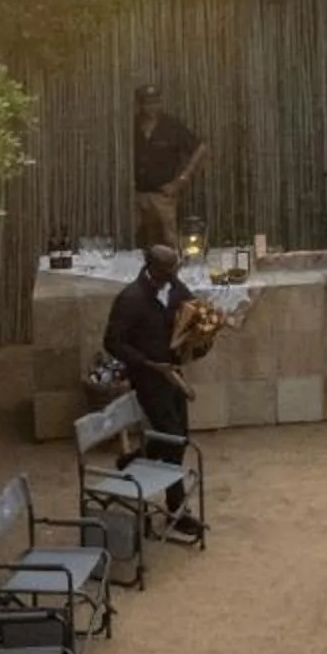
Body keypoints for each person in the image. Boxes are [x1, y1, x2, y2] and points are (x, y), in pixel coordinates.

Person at [102, 244, 203, 540]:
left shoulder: (175, 288)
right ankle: (177, 509)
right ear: (150, 267)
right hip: (148, 378)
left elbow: (191, 311)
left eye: (175, 270)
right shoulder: (130, 299)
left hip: (172, 374)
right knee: (172, 439)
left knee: (180, 436)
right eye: (166, 270)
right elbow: (113, 342)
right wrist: (147, 364)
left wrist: (199, 335)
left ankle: (132, 461)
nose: (172, 276)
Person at [130, 83, 206, 254]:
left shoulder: (171, 126)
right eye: (147, 102)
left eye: (155, 102)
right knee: (138, 242)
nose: (151, 107)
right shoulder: (130, 126)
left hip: (163, 195)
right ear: (140, 104)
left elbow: (199, 148)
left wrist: (181, 180)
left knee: (169, 242)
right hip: (136, 196)